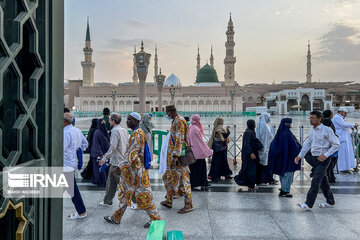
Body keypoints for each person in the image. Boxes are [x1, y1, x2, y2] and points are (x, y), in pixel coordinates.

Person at [104, 112, 160, 228]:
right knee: (124, 194)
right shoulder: (135, 133)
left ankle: (156, 218)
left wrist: (117, 168)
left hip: (136, 172)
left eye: (129, 119)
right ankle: (116, 217)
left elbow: (131, 155)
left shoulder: (137, 134)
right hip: (131, 171)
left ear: (136, 121)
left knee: (144, 194)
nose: (127, 121)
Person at [295, 111, 340, 210]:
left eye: (313, 118)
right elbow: (307, 144)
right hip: (314, 158)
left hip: (323, 159)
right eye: (310, 118)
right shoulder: (312, 131)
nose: (311, 120)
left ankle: (308, 203)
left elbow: (336, 144)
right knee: (323, 181)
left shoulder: (327, 130)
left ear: (320, 119)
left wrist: (326, 154)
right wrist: (300, 155)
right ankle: (330, 201)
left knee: (315, 181)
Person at [160, 105, 193, 214]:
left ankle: (189, 204)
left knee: (184, 181)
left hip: (178, 158)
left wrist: (175, 157)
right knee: (167, 177)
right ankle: (169, 200)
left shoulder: (179, 122)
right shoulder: (175, 121)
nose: (166, 115)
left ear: (170, 112)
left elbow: (179, 140)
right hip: (173, 157)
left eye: (167, 112)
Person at [98, 113, 129, 207]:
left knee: (123, 183)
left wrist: (104, 158)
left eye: (110, 119)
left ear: (113, 121)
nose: (109, 121)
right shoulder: (124, 130)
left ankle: (136, 201)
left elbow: (113, 147)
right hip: (121, 159)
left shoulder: (115, 131)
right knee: (111, 182)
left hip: (116, 161)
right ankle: (107, 201)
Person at [268, 118, 301, 197]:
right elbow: (291, 146)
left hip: (284, 158)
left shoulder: (282, 133)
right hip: (288, 158)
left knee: (284, 174)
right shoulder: (286, 133)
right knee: (288, 174)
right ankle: (284, 191)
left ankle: (284, 188)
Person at [63, 113, 87, 220]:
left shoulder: (65, 132)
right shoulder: (76, 130)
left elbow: (61, 149)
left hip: (65, 164)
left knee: (72, 190)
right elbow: (85, 144)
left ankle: (82, 212)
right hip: (72, 163)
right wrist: (76, 150)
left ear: (64, 122)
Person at [234, 119, 263, 191]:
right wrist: (251, 153)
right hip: (249, 155)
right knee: (251, 170)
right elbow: (247, 144)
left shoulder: (249, 132)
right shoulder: (249, 132)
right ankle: (250, 185)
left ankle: (249, 184)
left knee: (248, 169)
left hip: (248, 154)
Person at [188, 114, 212, 189]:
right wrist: (207, 151)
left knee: (194, 169)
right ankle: (202, 182)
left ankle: (194, 183)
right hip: (198, 152)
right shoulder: (195, 129)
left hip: (192, 152)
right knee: (201, 168)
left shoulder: (190, 127)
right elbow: (200, 141)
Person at [332, 107, 358, 173]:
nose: (345, 114)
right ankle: (342, 168)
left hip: (344, 138)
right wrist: (353, 125)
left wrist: (351, 127)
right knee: (342, 154)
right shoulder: (337, 117)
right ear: (340, 112)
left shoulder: (340, 118)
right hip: (341, 138)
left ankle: (347, 167)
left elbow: (344, 125)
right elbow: (343, 125)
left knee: (346, 153)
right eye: (345, 113)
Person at [207, 117, 232, 181]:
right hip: (221, 148)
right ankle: (215, 175)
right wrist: (228, 130)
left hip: (217, 148)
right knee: (219, 161)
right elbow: (225, 135)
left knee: (218, 161)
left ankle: (221, 174)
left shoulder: (215, 127)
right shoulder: (220, 127)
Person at [256, 112, 275, 184]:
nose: (269, 119)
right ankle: (264, 179)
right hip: (265, 148)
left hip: (264, 148)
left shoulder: (263, 125)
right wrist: (265, 149)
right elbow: (265, 140)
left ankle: (262, 178)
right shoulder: (265, 127)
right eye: (268, 117)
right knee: (264, 164)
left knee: (262, 164)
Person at [91, 119, 110, 187]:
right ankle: (100, 181)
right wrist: (100, 154)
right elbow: (96, 144)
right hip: (99, 154)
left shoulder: (104, 132)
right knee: (99, 170)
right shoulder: (97, 132)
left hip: (104, 154)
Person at [322, 110, 338, 183]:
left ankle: (330, 177)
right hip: (330, 146)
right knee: (331, 163)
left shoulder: (322, 122)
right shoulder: (328, 122)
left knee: (329, 163)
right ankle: (329, 177)